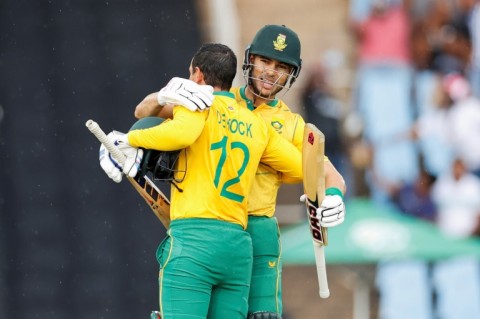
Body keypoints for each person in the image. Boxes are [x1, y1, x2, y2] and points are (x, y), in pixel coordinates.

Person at [98, 43, 343, 319]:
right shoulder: (257, 125)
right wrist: (326, 189)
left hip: (194, 239)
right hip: (238, 247)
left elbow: (178, 133)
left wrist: (128, 141)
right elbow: (305, 168)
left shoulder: (193, 107)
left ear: (198, 75)